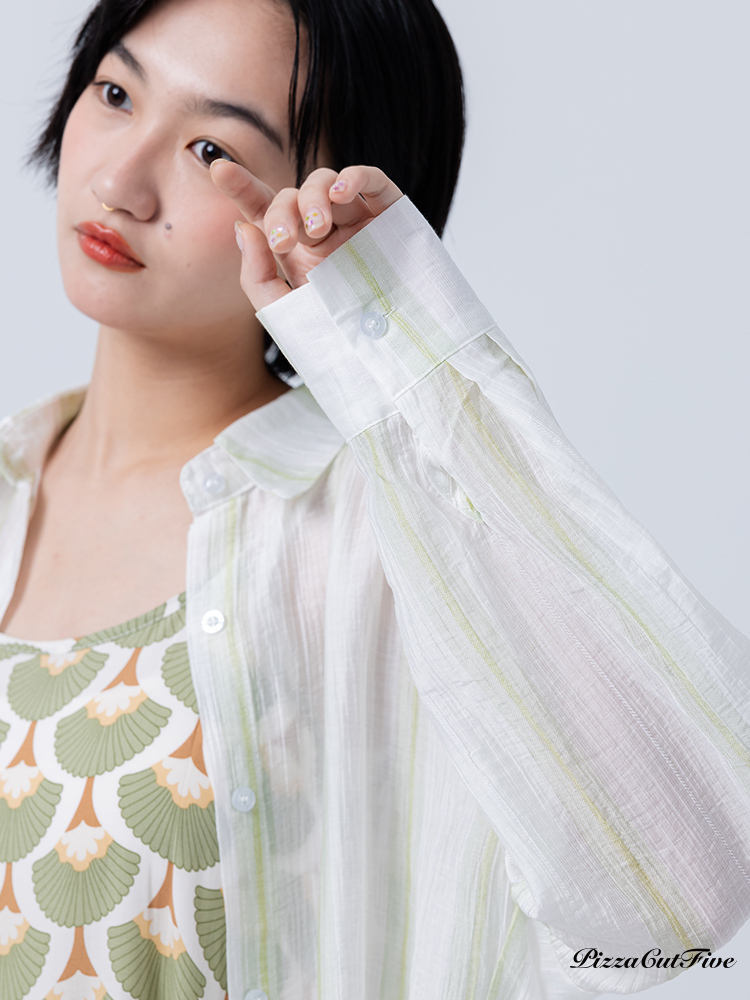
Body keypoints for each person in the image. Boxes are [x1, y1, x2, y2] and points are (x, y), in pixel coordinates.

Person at [0, 0, 748, 998]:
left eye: (213, 148)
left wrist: (389, 335)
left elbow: (681, 894)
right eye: (115, 92)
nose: (119, 181)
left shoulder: (387, 530)